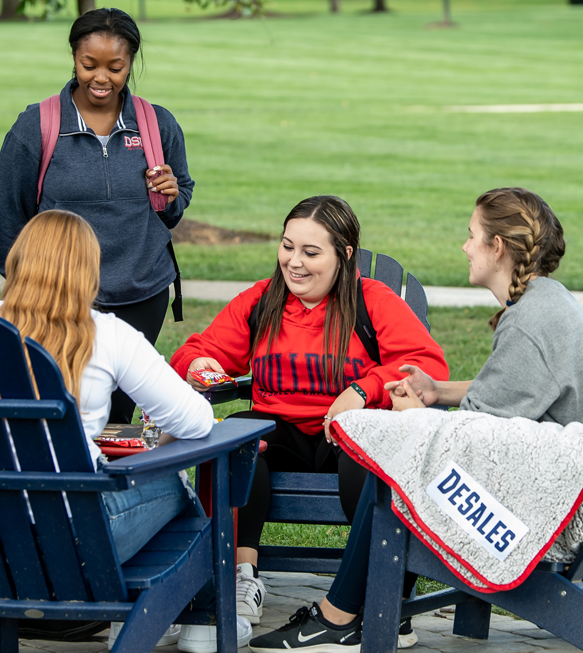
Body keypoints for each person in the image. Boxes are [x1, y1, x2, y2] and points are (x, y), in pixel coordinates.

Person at [248, 187, 583, 652]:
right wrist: (438, 392)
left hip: (575, 502)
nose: (465, 247)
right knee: (402, 461)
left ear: (497, 248)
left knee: (399, 467)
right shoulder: (542, 303)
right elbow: (517, 393)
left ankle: (339, 616)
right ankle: (367, 611)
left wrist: (415, 414)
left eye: (472, 236)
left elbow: (471, 436)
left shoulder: (531, 322)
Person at [0, 210, 250, 652]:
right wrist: (158, 447)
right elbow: (196, 421)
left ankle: (170, 614)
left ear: (18, 260)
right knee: (176, 485)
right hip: (76, 542)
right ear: (89, 270)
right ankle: (195, 618)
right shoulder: (108, 336)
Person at [170, 195, 449, 628]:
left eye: (310, 252)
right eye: (287, 246)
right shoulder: (262, 301)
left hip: (346, 433)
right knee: (238, 437)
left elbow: (426, 367)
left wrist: (362, 389)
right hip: (279, 432)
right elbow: (197, 350)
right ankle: (242, 578)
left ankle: (379, 593)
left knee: (369, 454)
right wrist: (199, 364)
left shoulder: (372, 301)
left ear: (345, 254)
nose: (294, 262)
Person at [0, 7, 193, 425]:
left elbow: (174, 207)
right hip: (59, 297)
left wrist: (171, 196)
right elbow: (10, 222)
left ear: (131, 63)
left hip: (142, 293)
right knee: (60, 407)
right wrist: (27, 289)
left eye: (115, 67)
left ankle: (108, 489)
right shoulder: (35, 128)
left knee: (119, 416)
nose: (101, 78)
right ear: (73, 57)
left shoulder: (158, 124)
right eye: (89, 65)